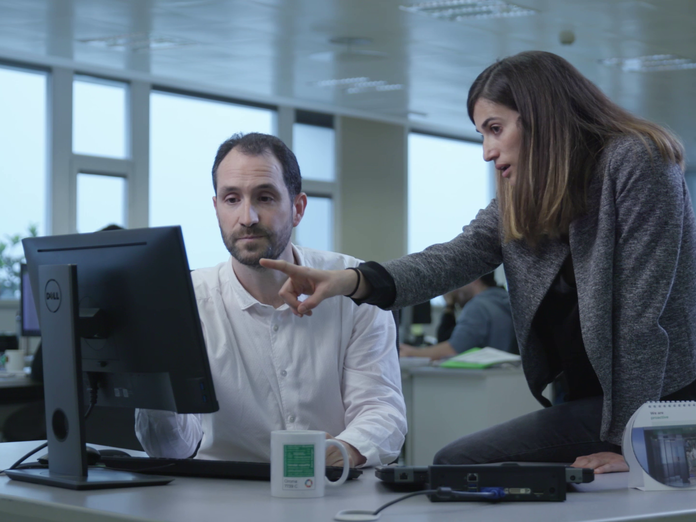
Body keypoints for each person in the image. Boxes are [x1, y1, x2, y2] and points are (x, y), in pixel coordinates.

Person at [260, 51, 696, 474]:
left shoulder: (638, 160)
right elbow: (451, 258)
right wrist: (350, 281)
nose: (487, 151)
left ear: (541, 117)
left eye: (495, 129)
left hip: (663, 407)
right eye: (482, 134)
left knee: (459, 463)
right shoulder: (521, 199)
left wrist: (634, 444)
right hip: (593, 401)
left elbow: (644, 319)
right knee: (467, 467)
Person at [135, 133, 406, 468]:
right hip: (220, 490)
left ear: (297, 209)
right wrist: (153, 388)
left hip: (330, 486)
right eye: (232, 199)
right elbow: (173, 450)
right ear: (216, 208)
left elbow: (382, 410)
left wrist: (341, 452)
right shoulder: (186, 301)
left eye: (264, 198)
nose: (247, 217)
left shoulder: (352, 286)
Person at [399, 272, 516, 360]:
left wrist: (411, 352)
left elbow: (453, 349)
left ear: (475, 278)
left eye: (458, 281)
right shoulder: (506, 301)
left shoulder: (478, 306)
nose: (454, 289)